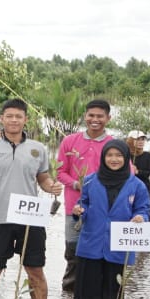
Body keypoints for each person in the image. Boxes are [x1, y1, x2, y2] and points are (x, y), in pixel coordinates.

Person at [0, 98, 63, 299]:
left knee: (35, 269)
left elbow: (44, 179)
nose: (14, 120)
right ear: (1, 119)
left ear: (25, 120)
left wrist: (52, 187)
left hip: (30, 218)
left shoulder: (38, 149)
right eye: (9, 116)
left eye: (18, 116)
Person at [71, 139, 150, 299]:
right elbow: (82, 204)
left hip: (119, 246)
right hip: (91, 243)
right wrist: (78, 210)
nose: (114, 159)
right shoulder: (90, 180)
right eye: (109, 155)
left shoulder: (137, 185)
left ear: (126, 158)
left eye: (119, 155)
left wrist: (140, 217)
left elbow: (143, 210)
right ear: (103, 157)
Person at [56, 99, 114, 289]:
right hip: (73, 206)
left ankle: (91, 293)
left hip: (102, 209)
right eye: (91, 115)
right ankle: (69, 297)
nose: (95, 120)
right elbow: (59, 172)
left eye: (100, 116)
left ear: (108, 118)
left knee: (98, 252)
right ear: (85, 117)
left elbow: (123, 176)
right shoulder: (70, 141)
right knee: (72, 251)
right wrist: (75, 183)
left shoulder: (113, 145)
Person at [125, 130, 150, 202]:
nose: (141, 142)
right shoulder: (125, 155)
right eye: (137, 139)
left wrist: (137, 171)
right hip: (129, 189)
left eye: (142, 139)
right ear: (131, 141)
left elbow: (148, 172)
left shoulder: (147, 155)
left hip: (145, 188)